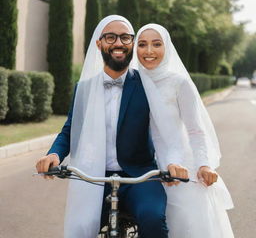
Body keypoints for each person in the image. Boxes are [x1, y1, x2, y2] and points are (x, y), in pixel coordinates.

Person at [36, 15, 187, 238]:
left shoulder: (148, 85)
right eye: (110, 37)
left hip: (140, 176)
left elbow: (168, 132)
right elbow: (70, 129)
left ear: (132, 44)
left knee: (153, 218)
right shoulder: (84, 88)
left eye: (125, 38)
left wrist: (175, 161)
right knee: (81, 227)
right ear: (99, 43)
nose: (118, 43)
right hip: (94, 178)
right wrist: (54, 155)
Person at [133, 23, 234, 238]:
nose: (149, 51)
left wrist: (204, 164)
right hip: (145, 167)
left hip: (181, 165)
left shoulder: (178, 83)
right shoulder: (132, 82)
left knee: (187, 225)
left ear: (167, 47)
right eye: (142, 44)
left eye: (156, 44)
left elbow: (196, 130)